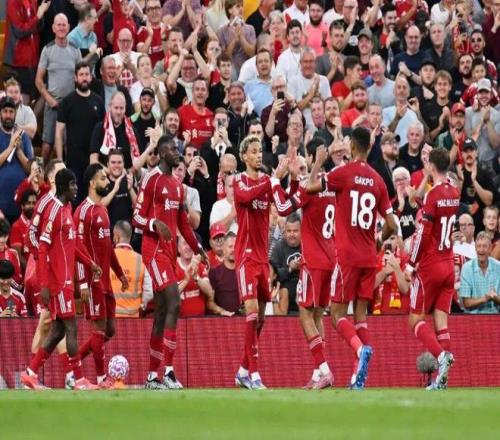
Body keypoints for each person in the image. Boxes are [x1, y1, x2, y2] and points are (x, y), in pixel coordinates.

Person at [307, 126, 397, 390]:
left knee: (336, 315)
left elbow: (310, 187)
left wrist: (317, 164)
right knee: (360, 316)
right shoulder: (378, 180)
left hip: (347, 256)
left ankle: (360, 350)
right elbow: (392, 224)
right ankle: (359, 376)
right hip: (369, 257)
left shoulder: (342, 173)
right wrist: (378, 241)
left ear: (353, 147)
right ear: (369, 147)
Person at [133, 136, 208, 390]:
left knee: (162, 311)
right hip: (153, 251)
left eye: (178, 148)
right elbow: (136, 217)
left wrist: (199, 249)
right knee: (175, 300)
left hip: (169, 252)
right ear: (161, 152)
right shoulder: (150, 179)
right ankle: (167, 371)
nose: (177, 152)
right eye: (172, 148)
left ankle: (152, 377)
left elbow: (184, 225)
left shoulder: (178, 186)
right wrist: (154, 223)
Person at [21, 168, 98, 390]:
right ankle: (79, 380)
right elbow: (41, 245)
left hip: (64, 280)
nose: (76, 188)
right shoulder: (53, 209)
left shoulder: (66, 209)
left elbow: (72, 245)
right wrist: (45, 283)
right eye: (73, 184)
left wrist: (89, 263)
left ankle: (30, 373)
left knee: (57, 331)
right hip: (58, 282)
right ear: (63, 186)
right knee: (71, 327)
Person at [271, 143, 336, 388]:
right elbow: (300, 197)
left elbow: (283, 208)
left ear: (312, 157)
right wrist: (296, 178)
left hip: (314, 259)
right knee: (317, 314)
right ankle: (318, 373)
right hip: (330, 258)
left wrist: (275, 180)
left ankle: (325, 369)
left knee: (304, 313)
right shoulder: (329, 183)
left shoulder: (311, 185)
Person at [232, 135, 287, 390]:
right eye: (253, 151)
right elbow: (245, 197)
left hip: (263, 259)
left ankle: (243, 370)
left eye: (259, 151)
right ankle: (254, 375)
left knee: (261, 319)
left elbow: (283, 206)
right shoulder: (239, 181)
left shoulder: (267, 181)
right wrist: (271, 181)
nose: (257, 155)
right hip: (245, 256)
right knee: (252, 313)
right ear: (244, 156)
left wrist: (290, 181)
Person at [405, 147, 461, 391]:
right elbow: (437, 212)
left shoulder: (433, 195)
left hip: (431, 264)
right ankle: (442, 380)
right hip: (448, 263)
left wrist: (410, 264)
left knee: (415, 319)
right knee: (441, 322)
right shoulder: (454, 191)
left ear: (431, 166)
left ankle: (441, 356)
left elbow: (424, 233)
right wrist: (420, 199)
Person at [74, 163, 128, 388]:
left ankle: (73, 362)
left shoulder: (103, 211)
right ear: (91, 182)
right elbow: (76, 249)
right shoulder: (82, 212)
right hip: (92, 281)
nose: (107, 181)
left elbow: (107, 247)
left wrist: (120, 273)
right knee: (99, 330)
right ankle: (100, 379)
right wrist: (83, 284)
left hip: (105, 281)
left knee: (110, 330)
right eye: (102, 178)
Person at [55, 62, 105, 204]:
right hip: (74, 162)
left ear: (91, 77)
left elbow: (104, 131)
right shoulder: (67, 102)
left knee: (94, 201)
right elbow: (58, 132)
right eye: (81, 75)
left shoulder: (98, 101)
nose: (84, 78)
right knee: (74, 201)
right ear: (75, 78)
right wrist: (60, 161)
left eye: (87, 74)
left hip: (94, 161)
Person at [36, 13, 82, 163]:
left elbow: (81, 76)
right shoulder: (47, 50)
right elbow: (38, 80)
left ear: (68, 27)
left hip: (71, 106)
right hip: (53, 104)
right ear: (53, 28)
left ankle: (70, 175)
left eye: (64, 25)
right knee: (46, 146)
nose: (61, 28)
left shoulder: (75, 50)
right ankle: (39, 175)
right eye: (59, 25)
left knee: (70, 146)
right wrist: (48, 99)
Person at [3, 0, 52, 103]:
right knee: (17, 100)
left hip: (32, 60)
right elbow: (20, 31)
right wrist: (38, 16)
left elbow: (38, 28)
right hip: (17, 62)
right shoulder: (13, 2)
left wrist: (41, 14)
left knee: (34, 97)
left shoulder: (33, 1)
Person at [0, 96, 33, 224]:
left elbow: (30, 169)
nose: (8, 115)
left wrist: (18, 150)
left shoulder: (23, 136)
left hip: (21, 204)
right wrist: (10, 147)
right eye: (5, 111)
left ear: (15, 114)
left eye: (11, 112)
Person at [111, 220, 153, 318]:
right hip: (133, 316)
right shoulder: (141, 260)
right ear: (130, 237)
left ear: (116, 237)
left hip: (112, 316)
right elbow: (149, 292)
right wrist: (143, 304)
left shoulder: (107, 257)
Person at [287, 48, 331, 131]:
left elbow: (329, 108)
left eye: (311, 61)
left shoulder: (323, 80)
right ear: (300, 63)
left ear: (315, 63)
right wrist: (310, 96)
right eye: (305, 62)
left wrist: (318, 96)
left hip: (322, 129)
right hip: (301, 129)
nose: (308, 65)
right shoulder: (293, 82)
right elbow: (292, 110)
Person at [270, 213, 302, 316]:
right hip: (284, 300)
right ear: (285, 231)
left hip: (305, 296)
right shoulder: (278, 248)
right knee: (284, 290)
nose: (291, 234)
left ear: (301, 231)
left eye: (295, 231)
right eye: (289, 231)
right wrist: (289, 269)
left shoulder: (307, 246)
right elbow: (273, 277)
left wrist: (302, 267)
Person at [460, 232, 500, 314]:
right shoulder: (467, 268)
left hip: (494, 316)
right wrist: (484, 299)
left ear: (490, 249)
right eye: (479, 246)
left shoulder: (498, 267)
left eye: (485, 246)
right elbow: (466, 303)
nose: (481, 250)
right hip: (472, 316)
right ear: (475, 248)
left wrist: (495, 297)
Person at [372, 234, 410, 315]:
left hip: (402, 313)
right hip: (379, 313)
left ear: (398, 240)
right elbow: (369, 287)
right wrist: (384, 272)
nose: (388, 242)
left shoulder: (406, 259)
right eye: (385, 238)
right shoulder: (374, 259)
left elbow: (405, 289)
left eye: (392, 238)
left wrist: (396, 268)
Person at [217, 0, 256, 75]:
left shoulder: (250, 28)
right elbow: (225, 58)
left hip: (247, 69)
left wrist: (241, 36)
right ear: (230, 10)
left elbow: (252, 53)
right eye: (238, 6)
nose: (241, 9)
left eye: (242, 6)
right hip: (230, 71)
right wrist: (234, 39)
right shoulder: (222, 31)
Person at [208, 232, 241, 314]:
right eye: (230, 247)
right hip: (221, 320)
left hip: (242, 319)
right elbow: (209, 303)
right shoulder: (214, 272)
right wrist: (222, 312)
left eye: (235, 246)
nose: (233, 250)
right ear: (223, 249)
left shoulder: (244, 272)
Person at [178, 78, 214, 150]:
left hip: (206, 155)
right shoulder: (181, 112)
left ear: (207, 94)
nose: (200, 92)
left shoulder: (211, 115)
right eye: (197, 89)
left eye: (203, 89)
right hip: (187, 154)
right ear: (192, 92)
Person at [9, 188, 36, 270]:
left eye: (34, 203)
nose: (32, 206)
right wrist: (32, 271)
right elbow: (18, 255)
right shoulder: (16, 227)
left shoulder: (40, 223)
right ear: (22, 206)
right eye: (28, 203)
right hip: (27, 273)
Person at [136, 0, 165, 68]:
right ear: (146, 13)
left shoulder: (168, 29)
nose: (154, 11)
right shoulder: (142, 31)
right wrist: (150, 36)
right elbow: (141, 55)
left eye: (157, 8)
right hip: (147, 71)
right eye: (151, 9)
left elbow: (171, 55)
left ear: (161, 11)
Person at [0, 219, 23, 291]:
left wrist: (5, 276)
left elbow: (19, 283)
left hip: (9, 294)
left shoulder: (13, 253)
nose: (2, 240)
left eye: (5, 236)